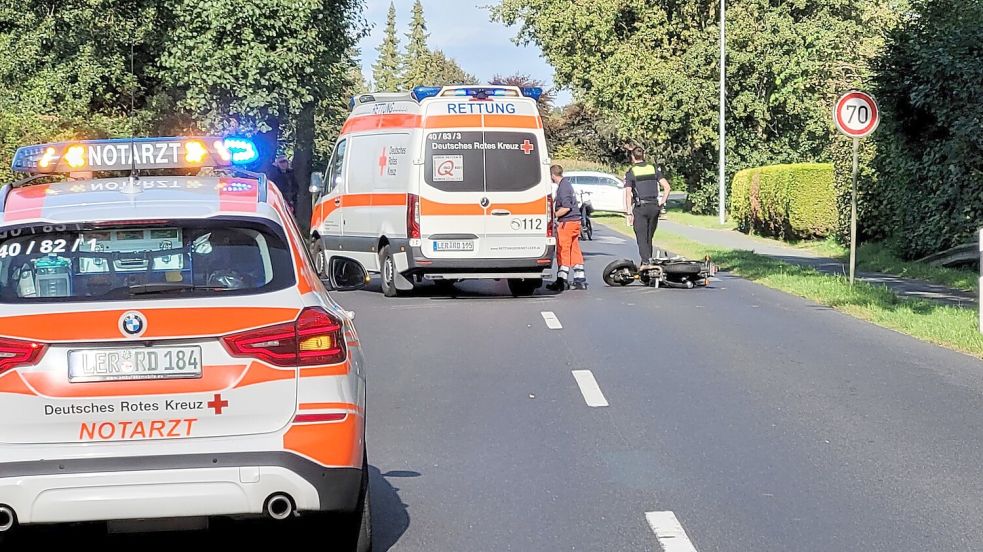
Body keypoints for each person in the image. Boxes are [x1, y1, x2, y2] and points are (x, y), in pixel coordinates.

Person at [624, 146, 671, 269]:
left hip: (641, 208)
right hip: (654, 207)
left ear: (633, 157)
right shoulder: (653, 168)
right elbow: (667, 187)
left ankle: (646, 263)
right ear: (643, 156)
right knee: (649, 236)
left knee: (641, 237)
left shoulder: (631, 172)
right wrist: (662, 202)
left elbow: (628, 194)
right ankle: (648, 260)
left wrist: (629, 213)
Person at [547, 164, 587, 291]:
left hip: (567, 223)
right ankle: (580, 279)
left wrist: (553, 216)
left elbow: (566, 207)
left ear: (553, 175)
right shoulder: (567, 184)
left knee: (563, 249)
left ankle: (561, 280)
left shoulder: (563, 188)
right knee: (574, 250)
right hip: (575, 221)